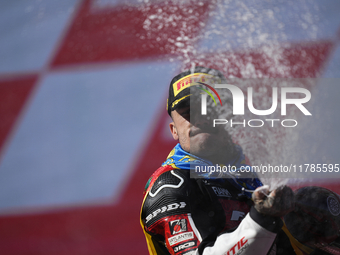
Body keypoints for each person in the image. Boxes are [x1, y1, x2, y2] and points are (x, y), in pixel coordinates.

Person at [140, 66, 337, 255]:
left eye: (209, 107)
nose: (200, 118)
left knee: (315, 206)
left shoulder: (245, 179)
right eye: (188, 112)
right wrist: (262, 219)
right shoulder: (170, 186)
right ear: (174, 130)